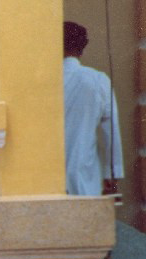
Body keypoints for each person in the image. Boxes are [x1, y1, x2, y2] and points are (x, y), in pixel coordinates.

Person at [63, 20, 124, 196]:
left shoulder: (44, 82)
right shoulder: (98, 80)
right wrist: (112, 174)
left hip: (47, 179)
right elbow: (111, 132)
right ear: (82, 48)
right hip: (86, 177)